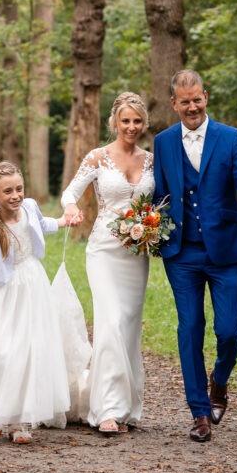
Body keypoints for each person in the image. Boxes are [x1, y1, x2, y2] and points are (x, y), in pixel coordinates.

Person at [152, 70, 237, 443]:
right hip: (181, 252)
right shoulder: (163, 142)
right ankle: (199, 412)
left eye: (197, 100)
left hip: (224, 250)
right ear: (174, 103)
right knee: (190, 328)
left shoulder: (230, 137)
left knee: (229, 331)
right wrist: (142, 228)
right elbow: (158, 192)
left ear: (205, 97)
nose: (192, 107)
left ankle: (219, 382)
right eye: (184, 101)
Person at [0, 161, 81, 445]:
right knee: (5, 353)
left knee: (31, 350)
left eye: (19, 188)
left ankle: (22, 420)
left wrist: (63, 221)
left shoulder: (30, 207)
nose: (16, 195)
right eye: (8, 191)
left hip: (33, 287)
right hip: (4, 295)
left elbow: (40, 224)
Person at [61, 92, 153, 435]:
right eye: (125, 121)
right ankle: (107, 410)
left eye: (137, 121)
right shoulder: (97, 158)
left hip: (136, 253)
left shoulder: (152, 161)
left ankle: (126, 406)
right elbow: (70, 192)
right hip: (103, 249)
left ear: (144, 124)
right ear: (114, 122)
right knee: (110, 323)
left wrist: (155, 225)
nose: (131, 127)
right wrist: (71, 208)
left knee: (127, 328)